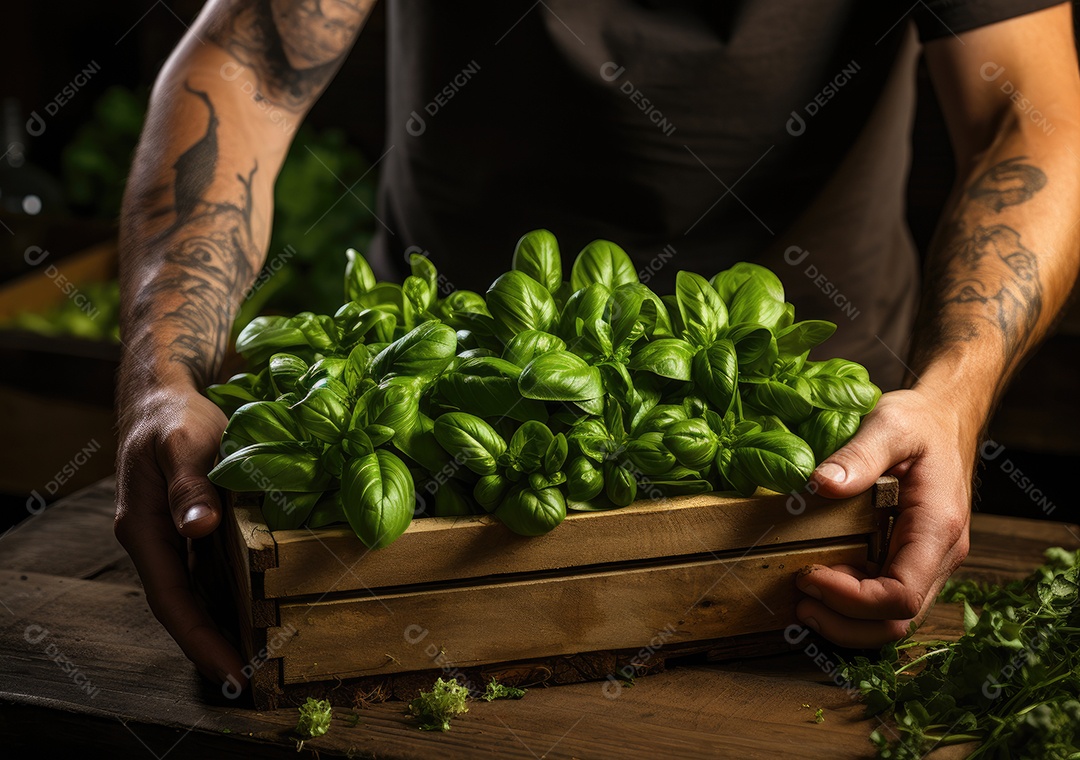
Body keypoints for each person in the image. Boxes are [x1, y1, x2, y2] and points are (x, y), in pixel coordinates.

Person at [115, 0, 1080, 690]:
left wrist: (954, 396)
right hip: (448, 418)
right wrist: (162, 380)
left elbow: (1034, 114)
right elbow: (248, 63)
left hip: (805, 430)